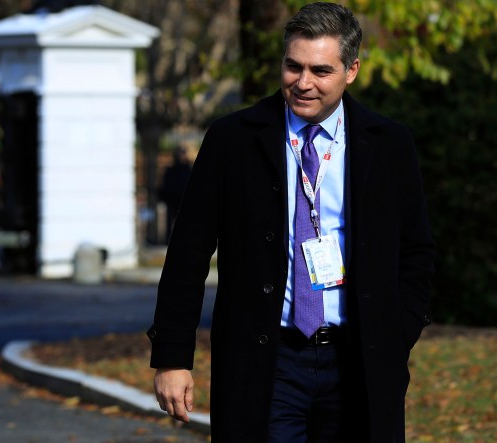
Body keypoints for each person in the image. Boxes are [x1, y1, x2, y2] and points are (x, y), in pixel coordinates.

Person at [146, 3, 436, 442]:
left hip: (358, 362)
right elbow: (188, 252)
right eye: (292, 66)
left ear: (351, 70)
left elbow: (416, 251)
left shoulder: (389, 144)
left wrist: (396, 333)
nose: (303, 83)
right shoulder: (233, 140)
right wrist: (172, 357)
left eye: (320, 70)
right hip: (266, 362)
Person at [158, 145, 192, 242]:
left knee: (185, 221)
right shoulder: (171, 170)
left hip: (183, 199)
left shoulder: (188, 169)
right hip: (172, 199)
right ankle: (169, 239)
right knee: (170, 221)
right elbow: (166, 184)